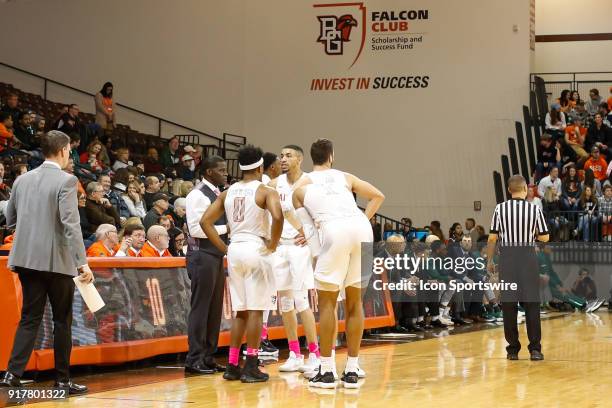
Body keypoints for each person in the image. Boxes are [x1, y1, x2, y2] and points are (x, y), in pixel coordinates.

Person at [0, 130, 93, 394]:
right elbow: (71, 225)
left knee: (30, 317)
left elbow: (11, 220)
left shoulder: (22, 179)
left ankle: (12, 374)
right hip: (57, 261)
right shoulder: (67, 180)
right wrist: (82, 262)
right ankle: (62, 380)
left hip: (26, 259)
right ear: (64, 150)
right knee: (62, 320)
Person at [290, 139, 385, 388]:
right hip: (361, 229)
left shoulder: (301, 185)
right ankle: (352, 370)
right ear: (331, 156)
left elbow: (308, 229)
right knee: (355, 304)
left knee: (328, 305)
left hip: (333, 232)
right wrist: (362, 220)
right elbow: (378, 196)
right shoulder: (345, 176)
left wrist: (316, 253)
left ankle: (328, 370)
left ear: (311, 158)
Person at [200, 145, 283, 383]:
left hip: (235, 249)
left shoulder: (228, 192)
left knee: (241, 311)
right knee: (257, 309)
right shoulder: (265, 190)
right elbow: (278, 217)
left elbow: (205, 221)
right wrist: (274, 244)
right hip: (256, 248)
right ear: (259, 167)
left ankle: (233, 364)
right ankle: (252, 365)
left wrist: (224, 248)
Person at [268, 145, 320, 373]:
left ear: (299, 159)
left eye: (288, 155)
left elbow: (320, 215)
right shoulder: (273, 184)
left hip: (300, 248)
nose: (283, 159)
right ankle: (294, 354)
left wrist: (311, 236)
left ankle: (315, 355)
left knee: (301, 302)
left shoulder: (311, 182)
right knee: (285, 303)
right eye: (281, 156)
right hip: (279, 248)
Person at [487, 174, 549, 361]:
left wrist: (490, 261)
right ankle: (535, 349)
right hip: (528, 257)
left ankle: (512, 350)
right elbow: (545, 237)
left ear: (509, 190)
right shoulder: (534, 209)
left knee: (509, 304)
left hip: (507, 259)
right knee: (531, 303)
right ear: (524, 189)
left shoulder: (500, 209)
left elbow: (492, 238)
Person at [184, 156, 229, 375]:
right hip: (201, 254)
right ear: (209, 172)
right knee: (200, 308)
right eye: (221, 170)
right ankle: (194, 359)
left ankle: (209, 356)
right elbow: (196, 229)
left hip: (215, 255)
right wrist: (227, 229)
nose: (225, 173)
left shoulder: (218, 193)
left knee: (214, 308)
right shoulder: (196, 194)